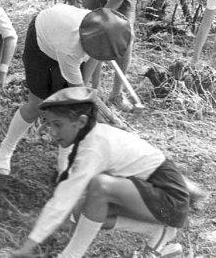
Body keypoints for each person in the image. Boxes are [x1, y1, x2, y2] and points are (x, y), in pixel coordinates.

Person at [10, 86, 189, 258]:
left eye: (58, 124)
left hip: (171, 200)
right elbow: (71, 198)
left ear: (81, 122)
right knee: (81, 209)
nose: (53, 133)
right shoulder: (89, 138)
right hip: (151, 192)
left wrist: (29, 245)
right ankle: (158, 230)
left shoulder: (94, 147)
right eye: (50, 125)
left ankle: (71, 255)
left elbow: (64, 198)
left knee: (100, 187)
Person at [0, 6, 131, 176]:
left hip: (64, 37)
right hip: (41, 41)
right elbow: (81, 95)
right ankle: (6, 149)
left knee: (70, 110)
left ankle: (64, 162)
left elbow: (93, 63)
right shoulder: (71, 48)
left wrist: (106, 116)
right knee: (36, 105)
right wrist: (108, 122)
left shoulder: (101, 33)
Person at [66, 0, 162, 112]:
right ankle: (85, 89)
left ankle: (116, 94)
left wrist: (106, 20)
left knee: (127, 36)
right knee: (94, 34)